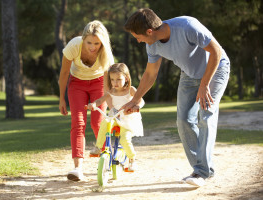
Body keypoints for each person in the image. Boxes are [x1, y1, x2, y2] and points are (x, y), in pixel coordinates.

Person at [122, 8, 230, 187]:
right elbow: (150, 74)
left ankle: (201, 172)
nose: (138, 40)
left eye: (138, 36)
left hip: (216, 70)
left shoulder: (187, 26)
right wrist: (135, 100)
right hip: (189, 75)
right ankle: (203, 169)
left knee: (206, 115)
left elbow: (216, 52)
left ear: (149, 31)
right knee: (183, 120)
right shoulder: (152, 44)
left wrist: (204, 85)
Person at [58, 20, 114, 181]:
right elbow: (63, 73)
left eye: (96, 43)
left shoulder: (105, 52)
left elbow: (107, 81)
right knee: (78, 122)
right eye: (89, 42)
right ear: (83, 39)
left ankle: (107, 159)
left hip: (98, 84)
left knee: (97, 123)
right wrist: (61, 98)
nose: (92, 47)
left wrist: (110, 105)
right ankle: (77, 168)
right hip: (77, 84)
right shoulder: (74, 46)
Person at [86, 63, 144, 171]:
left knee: (125, 140)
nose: (115, 83)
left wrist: (136, 107)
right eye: (112, 80)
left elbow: (141, 100)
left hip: (127, 121)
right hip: (115, 118)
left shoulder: (130, 90)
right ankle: (98, 147)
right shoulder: (111, 92)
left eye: (118, 79)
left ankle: (132, 160)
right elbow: (100, 100)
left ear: (126, 78)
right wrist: (94, 104)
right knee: (105, 123)